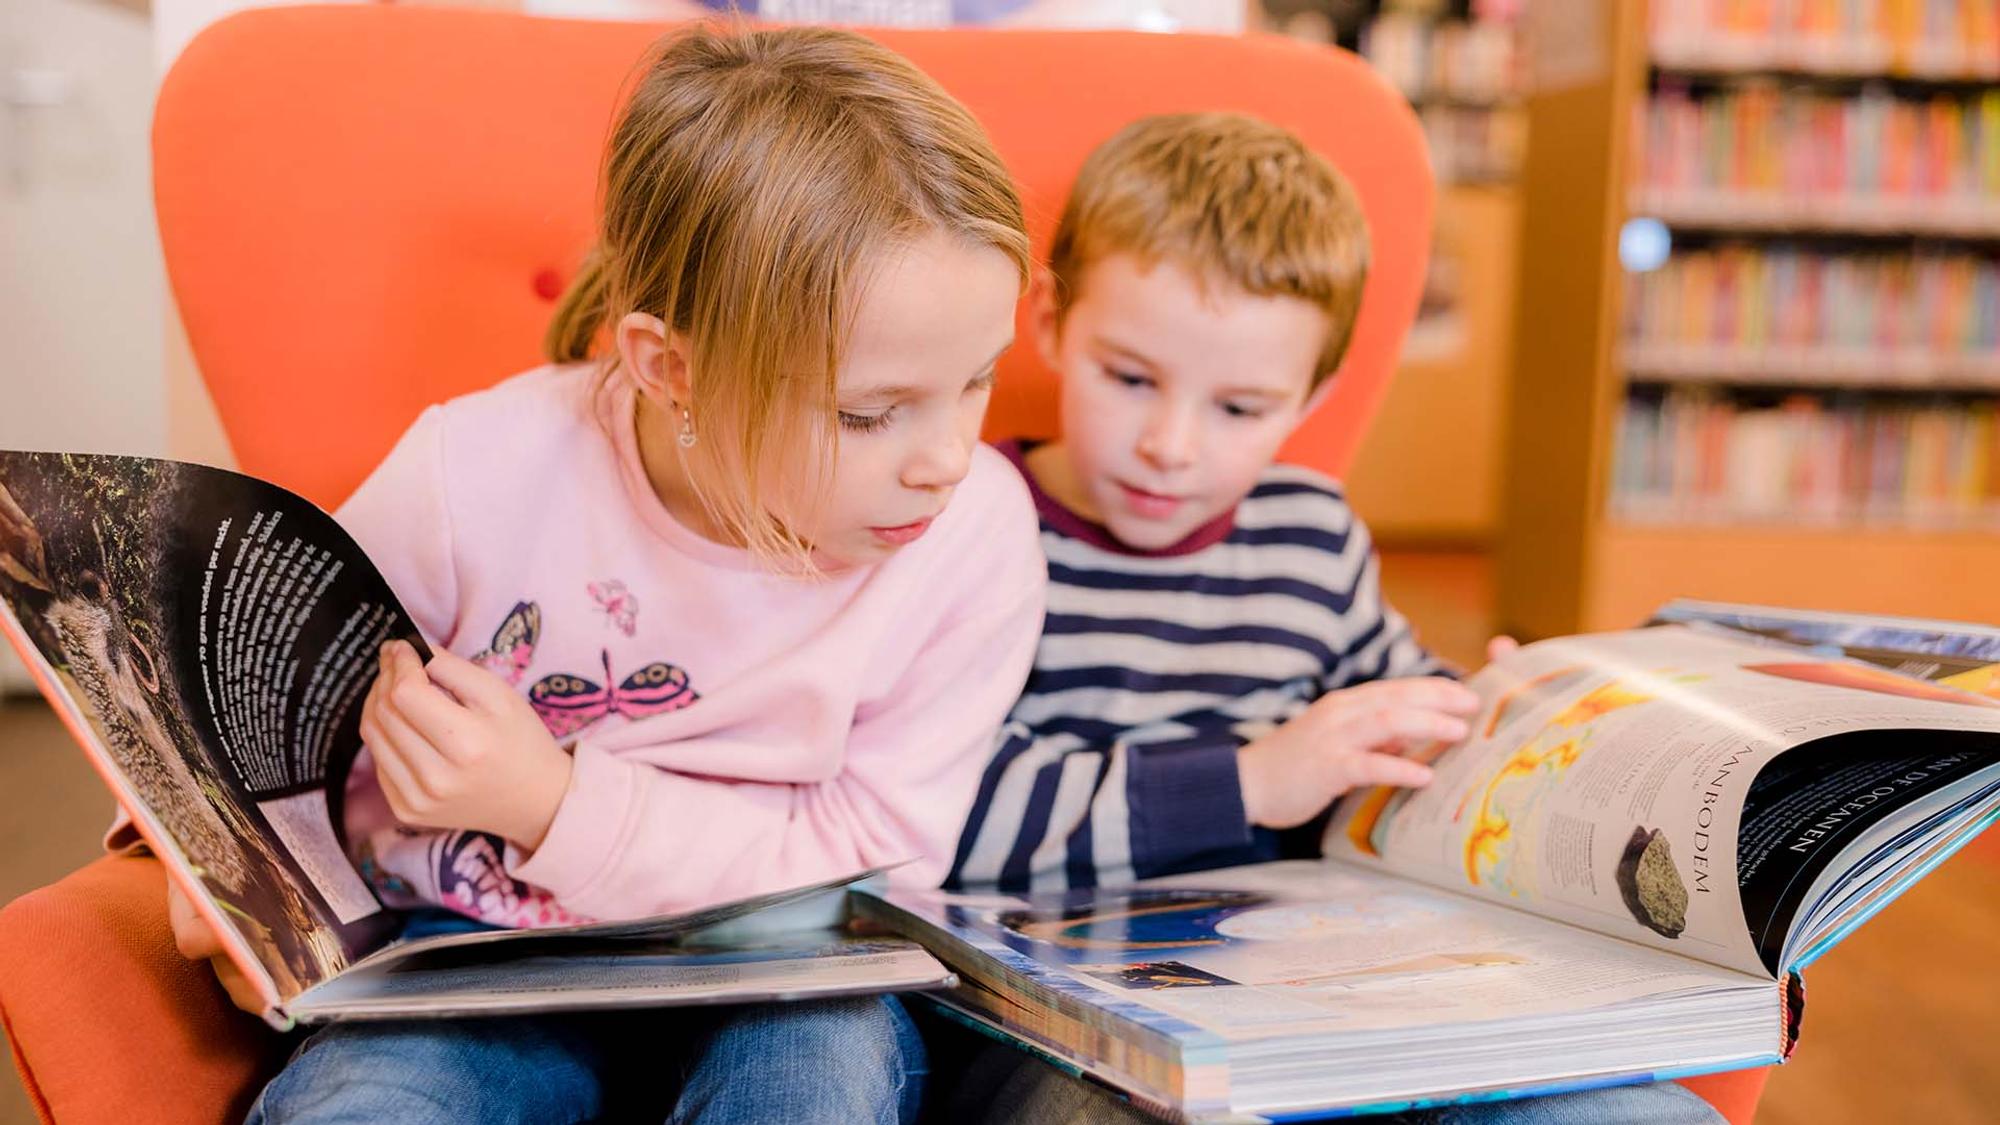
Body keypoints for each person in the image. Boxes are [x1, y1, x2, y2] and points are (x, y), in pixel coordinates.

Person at [167, 23, 1045, 1124]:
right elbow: (249, 706)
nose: (946, 459)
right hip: (472, 968)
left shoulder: (972, 538)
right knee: (366, 1106)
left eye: (977, 381)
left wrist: (550, 804)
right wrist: (216, 858)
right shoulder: (474, 474)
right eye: (868, 414)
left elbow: (871, 877)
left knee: (811, 1085)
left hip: (788, 980)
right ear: (667, 367)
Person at [936, 112, 1719, 1125]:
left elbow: (1396, 702)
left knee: (1640, 1119)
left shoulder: (1305, 533)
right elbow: (940, 816)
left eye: (1239, 408)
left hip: (1316, 1001)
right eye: (1128, 380)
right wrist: (1251, 779)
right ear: (1048, 324)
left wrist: (1499, 713)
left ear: (1310, 396)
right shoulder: (966, 523)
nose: (1171, 445)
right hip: (1063, 1034)